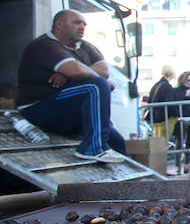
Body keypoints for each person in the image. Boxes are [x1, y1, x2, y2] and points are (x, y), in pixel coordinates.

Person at [16, 9, 126, 162]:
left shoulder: (85, 47)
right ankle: (91, 149)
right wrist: (76, 73)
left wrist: (67, 74)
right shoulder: (43, 45)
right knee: (96, 86)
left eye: (84, 24)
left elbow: (104, 71)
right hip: (37, 109)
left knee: (117, 143)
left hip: (66, 109)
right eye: (77, 23)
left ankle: (111, 184)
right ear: (59, 24)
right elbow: (81, 72)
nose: (82, 27)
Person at [172, 71, 190, 168]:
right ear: (183, 79)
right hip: (180, 118)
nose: (189, 82)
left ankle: (187, 164)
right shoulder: (176, 90)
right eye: (188, 80)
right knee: (179, 141)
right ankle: (177, 165)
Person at [148, 65, 178, 140]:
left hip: (156, 118)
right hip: (165, 119)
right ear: (171, 74)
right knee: (163, 144)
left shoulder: (155, 86)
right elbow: (170, 104)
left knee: (157, 143)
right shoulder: (167, 87)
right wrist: (176, 115)